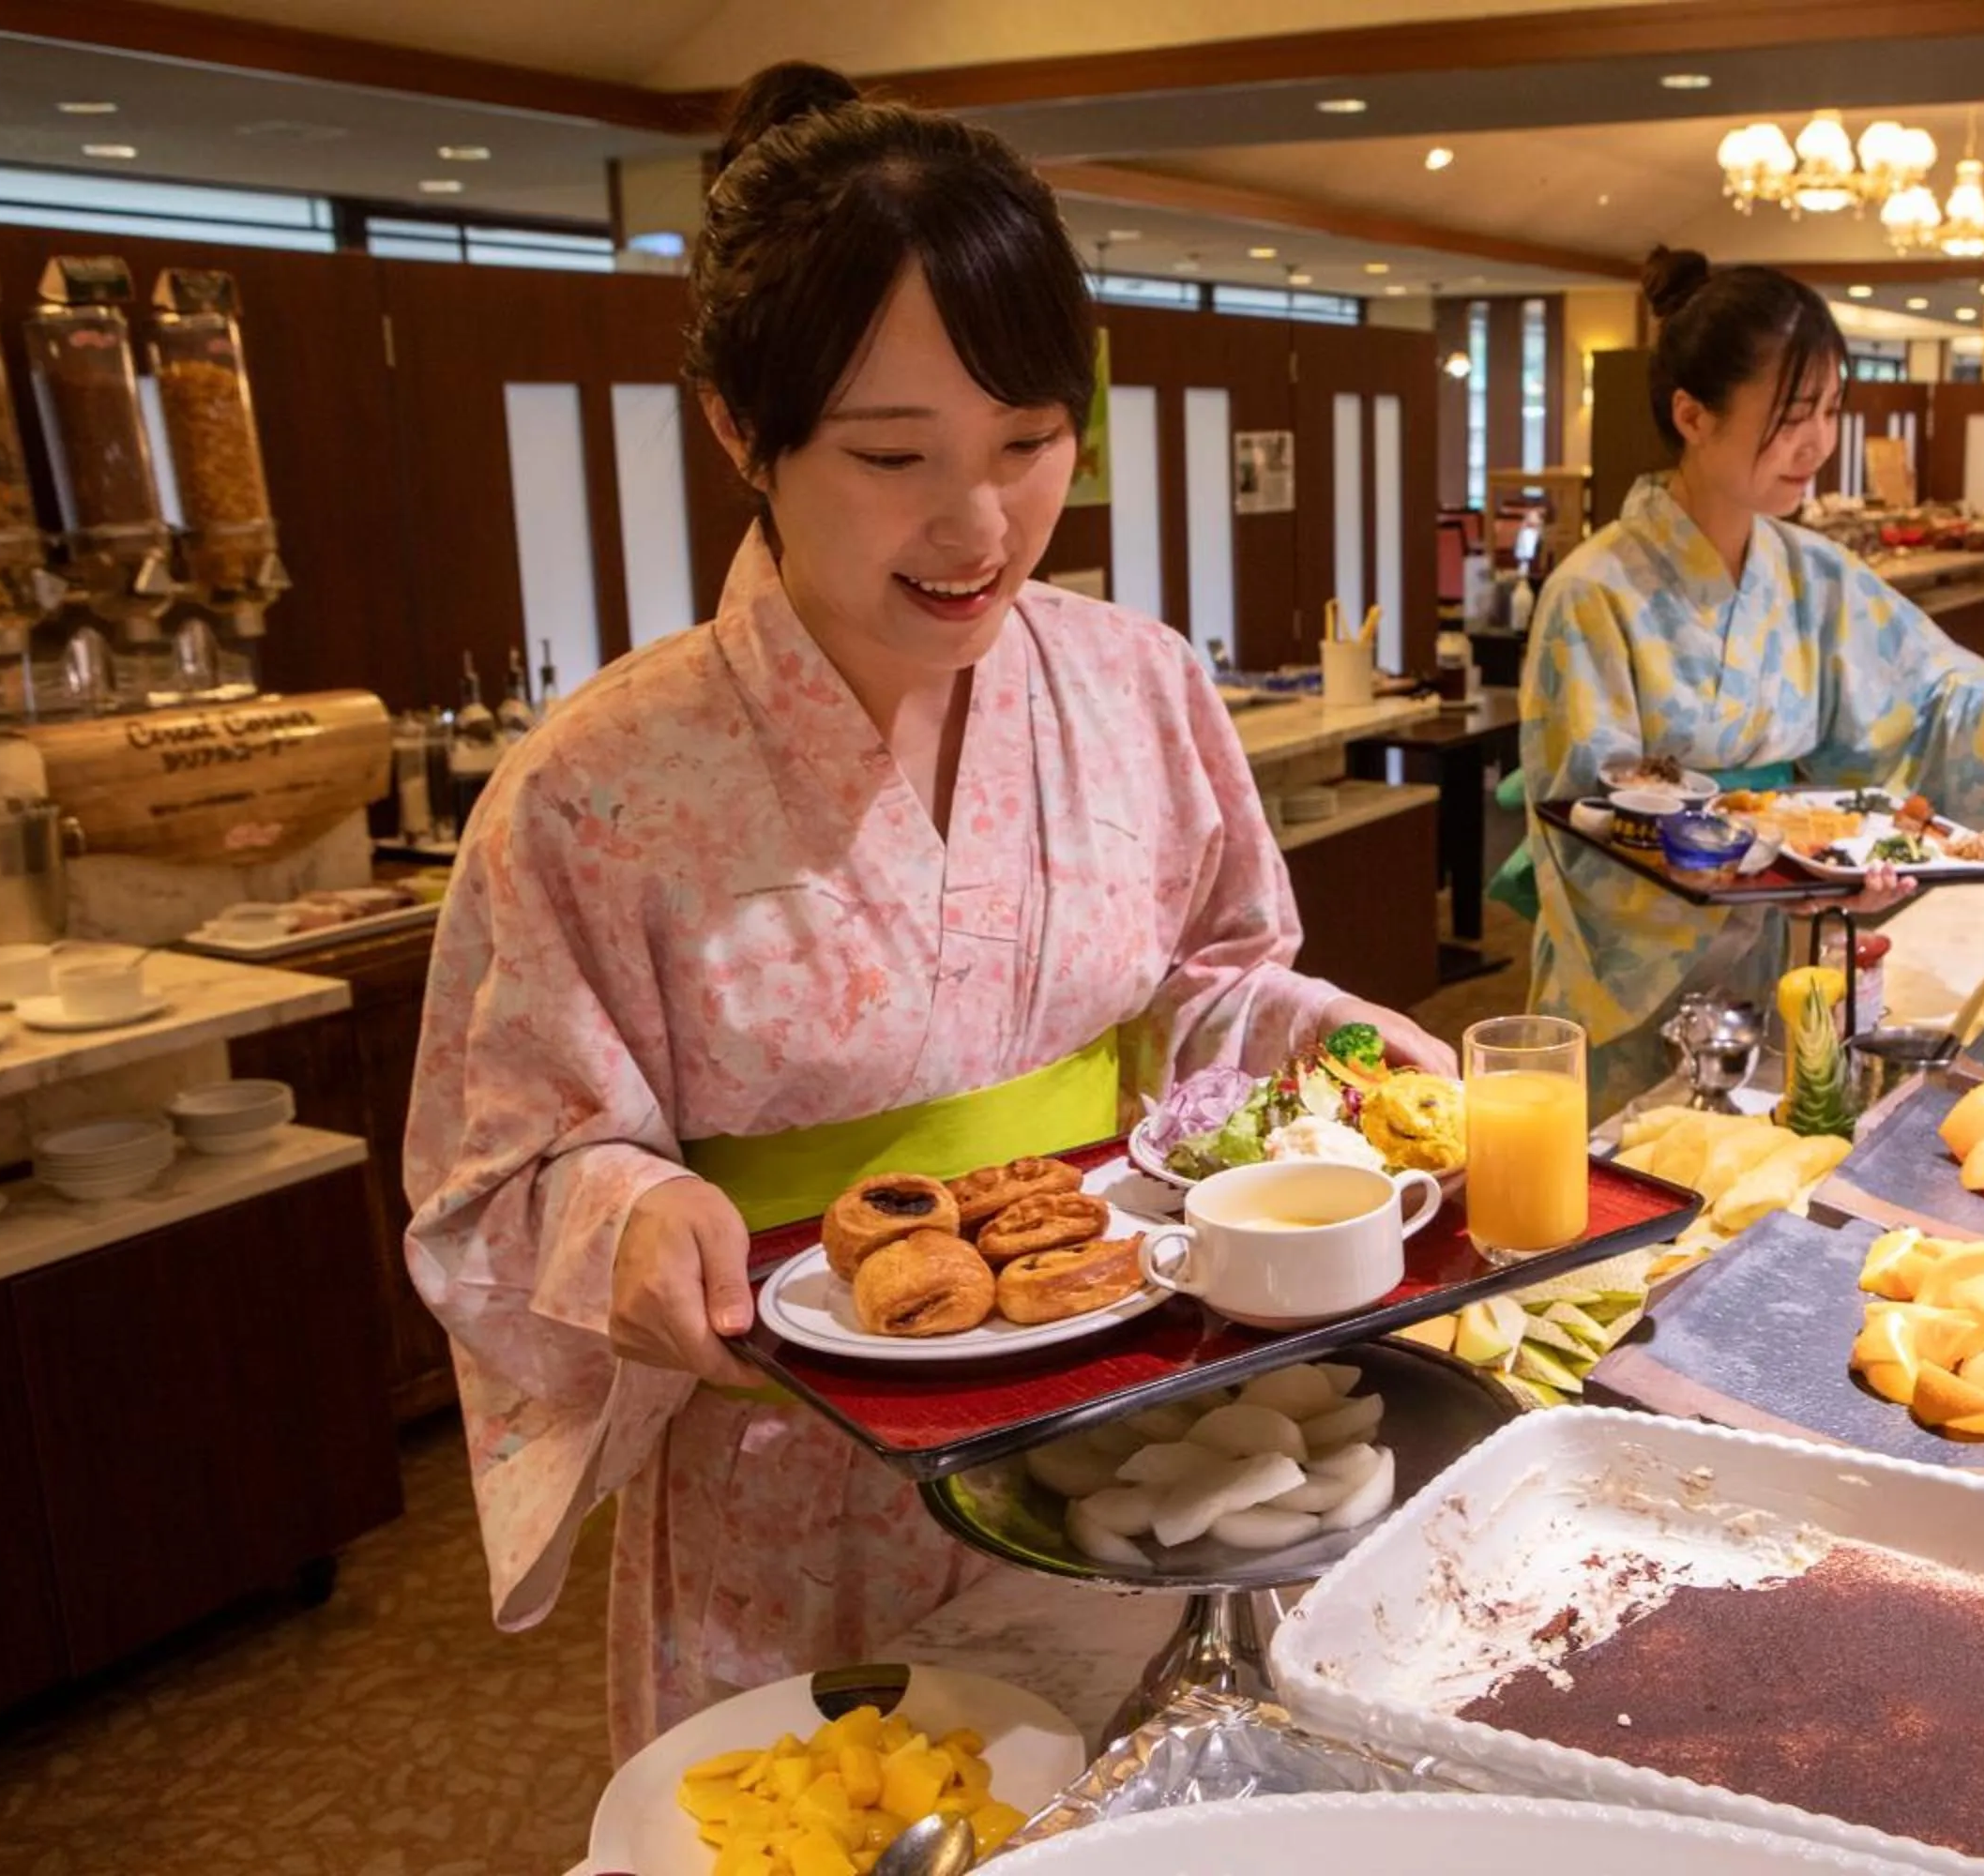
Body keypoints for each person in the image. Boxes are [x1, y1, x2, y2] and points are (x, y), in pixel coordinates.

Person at [401, 63, 1452, 1762]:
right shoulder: (598, 784)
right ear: (743, 429)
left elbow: (1210, 988)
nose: (980, 528)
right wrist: (626, 1220)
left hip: (1123, 1413)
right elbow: (493, 1174)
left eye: (1030, 445)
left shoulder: (1139, 685)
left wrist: (1324, 1049)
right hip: (791, 1476)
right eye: (895, 455)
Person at [1517, 248, 1984, 1113]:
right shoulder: (1594, 591)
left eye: (1830, 409)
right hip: (1636, 979)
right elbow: (1585, 813)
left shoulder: (1811, 570)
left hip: (1779, 949)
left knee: (1763, 1176)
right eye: (1791, 413)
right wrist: (1779, 862)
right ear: (1692, 415)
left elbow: (1926, 686)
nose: (1819, 442)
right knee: (1632, 1186)